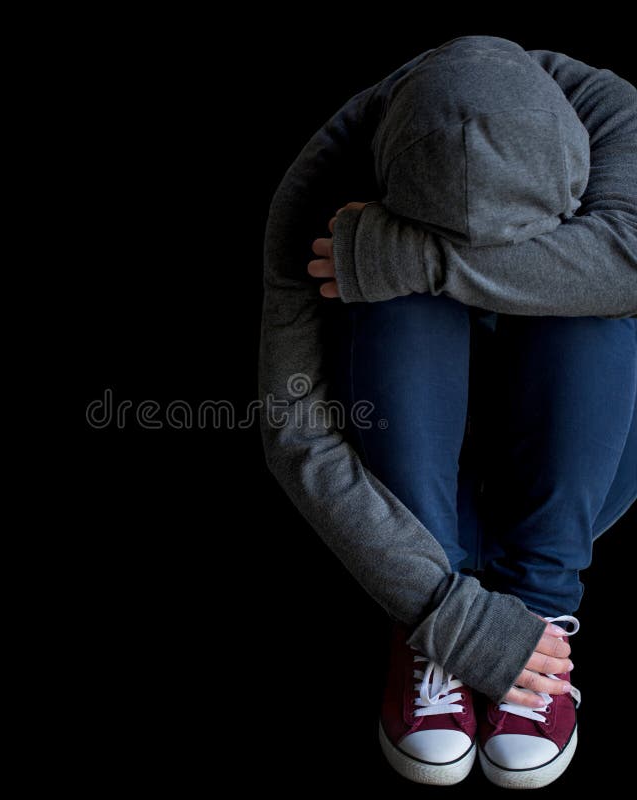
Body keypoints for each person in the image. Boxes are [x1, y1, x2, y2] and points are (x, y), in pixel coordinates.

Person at [260, 35, 637, 789]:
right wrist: (442, 606)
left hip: (577, 460)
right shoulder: (326, 173)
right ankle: (434, 626)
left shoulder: (612, 116)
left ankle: (541, 601)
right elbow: (292, 428)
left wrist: (417, 256)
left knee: (596, 299)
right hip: (412, 483)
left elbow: (627, 265)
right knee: (390, 295)